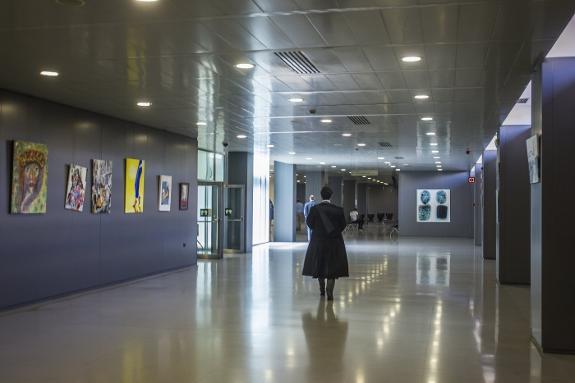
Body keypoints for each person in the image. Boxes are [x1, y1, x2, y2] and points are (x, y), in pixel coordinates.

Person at [302, 186, 349, 300]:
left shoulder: (315, 209)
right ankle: (330, 292)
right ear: (331, 196)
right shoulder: (338, 210)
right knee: (332, 267)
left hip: (318, 241)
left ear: (321, 195)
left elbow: (309, 223)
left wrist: (318, 231)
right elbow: (343, 225)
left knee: (320, 265)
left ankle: (322, 290)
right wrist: (334, 233)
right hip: (334, 242)